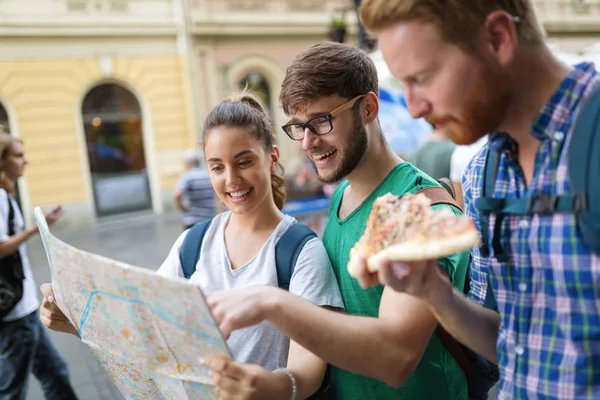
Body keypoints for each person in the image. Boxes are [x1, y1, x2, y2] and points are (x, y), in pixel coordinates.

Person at [353, 0, 600, 399]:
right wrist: (435, 293)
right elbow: (512, 341)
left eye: (423, 77)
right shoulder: (483, 172)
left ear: (497, 38)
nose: (415, 109)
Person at [204, 42, 471, 400]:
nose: (309, 142)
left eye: (321, 121)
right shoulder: (342, 198)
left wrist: (273, 303)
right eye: (298, 127)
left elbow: (396, 357)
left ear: (369, 109)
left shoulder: (419, 210)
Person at [39, 93, 344, 400]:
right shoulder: (192, 244)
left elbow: (308, 375)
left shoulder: (302, 253)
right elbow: (147, 331)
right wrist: (76, 319)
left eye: (244, 162)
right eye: (217, 167)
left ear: (273, 157)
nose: (232, 179)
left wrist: (262, 387)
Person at [0, 133, 79, 400]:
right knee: (13, 391)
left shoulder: (6, 196)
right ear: (2, 160)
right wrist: (36, 229)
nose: (26, 161)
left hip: (24, 309)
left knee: (55, 373)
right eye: (19, 155)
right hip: (15, 315)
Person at [174, 148, 217, 229]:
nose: (184, 164)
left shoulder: (187, 176)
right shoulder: (208, 174)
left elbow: (177, 194)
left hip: (192, 220)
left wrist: (182, 207)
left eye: (185, 162)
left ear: (191, 162)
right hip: (209, 219)